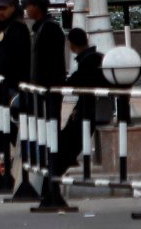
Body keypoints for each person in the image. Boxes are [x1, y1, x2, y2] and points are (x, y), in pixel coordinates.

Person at [54, 28, 109, 175]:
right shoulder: (95, 57)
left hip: (88, 110)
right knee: (68, 140)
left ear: (71, 44)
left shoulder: (88, 60)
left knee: (68, 142)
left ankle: (57, 175)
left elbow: (77, 80)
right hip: (93, 107)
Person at [25, 0, 66, 88]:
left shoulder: (49, 28)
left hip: (49, 84)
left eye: (28, 6)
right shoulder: (40, 27)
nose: (26, 10)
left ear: (36, 7)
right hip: (43, 83)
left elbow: (49, 58)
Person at [0, 0, 31, 96]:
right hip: (7, 81)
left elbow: (16, 57)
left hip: (15, 83)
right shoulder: (6, 26)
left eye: (4, 9)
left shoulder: (17, 28)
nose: (0, 12)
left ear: (12, 8)